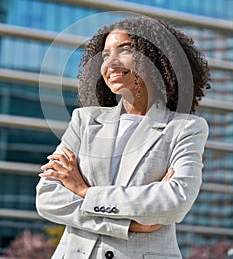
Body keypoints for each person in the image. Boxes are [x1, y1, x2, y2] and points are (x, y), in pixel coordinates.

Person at [36, 16, 211, 259]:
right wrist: (127, 225)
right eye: (105, 54)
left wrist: (85, 192)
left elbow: (175, 201)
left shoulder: (185, 128)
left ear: (156, 60)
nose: (111, 62)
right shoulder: (84, 121)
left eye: (125, 50)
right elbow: (47, 196)